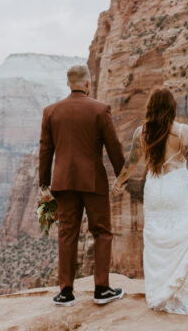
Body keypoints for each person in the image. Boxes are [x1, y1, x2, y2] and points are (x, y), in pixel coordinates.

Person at [112, 87, 188, 314]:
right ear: (171, 107)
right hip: (177, 188)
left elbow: (131, 163)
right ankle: (175, 292)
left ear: (151, 108)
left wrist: (118, 183)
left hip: (155, 188)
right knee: (180, 236)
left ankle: (158, 292)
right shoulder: (182, 131)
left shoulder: (141, 132)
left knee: (156, 240)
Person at [38, 64, 125, 306]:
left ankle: (65, 291)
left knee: (67, 234)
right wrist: (122, 175)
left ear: (68, 84)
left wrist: (43, 185)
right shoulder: (100, 110)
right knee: (102, 232)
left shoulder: (51, 112)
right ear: (88, 83)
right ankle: (102, 289)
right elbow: (114, 147)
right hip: (93, 181)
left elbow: (45, 150)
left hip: (63, 182)